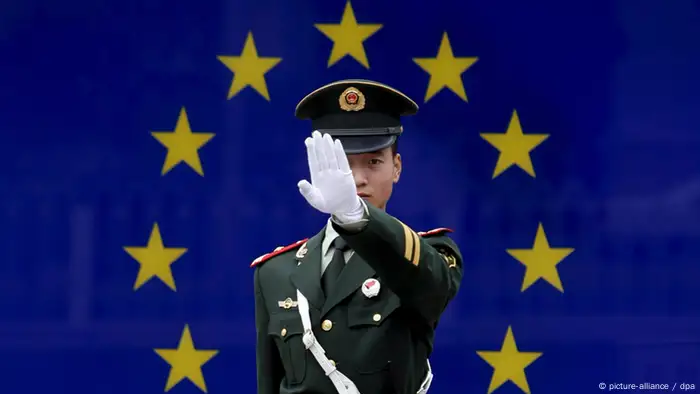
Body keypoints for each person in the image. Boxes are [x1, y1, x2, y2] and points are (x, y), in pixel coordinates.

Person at [251, 79, 463, 394]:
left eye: (374, 162)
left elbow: (432, 287)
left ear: (397, 168)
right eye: (343, 165)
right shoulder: (275, 272)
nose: (358, 179)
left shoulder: (428, 253)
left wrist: (357, 218)